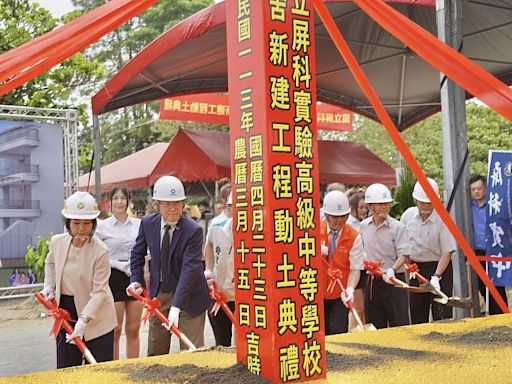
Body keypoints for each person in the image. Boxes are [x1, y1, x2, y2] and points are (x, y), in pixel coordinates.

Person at [128, 175, 210, 355]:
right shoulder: (148, 223)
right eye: (166, 203)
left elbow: (190, 270)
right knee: (156, 353)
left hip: (190, 295)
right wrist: (136, 280)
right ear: (158, 204)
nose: (172, 208)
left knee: (190, 352)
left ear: (183, 204)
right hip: (161, 294)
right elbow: (137, 253)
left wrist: (176, 306)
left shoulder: (193, 230)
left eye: (177, 203)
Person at [40, 191, 117, 368]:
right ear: (68, 223)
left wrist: (83, 321)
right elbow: (50, 263)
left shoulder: (100, 251)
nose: (81, 228)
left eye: (86, 223)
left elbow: (99, 292)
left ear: (94, 224)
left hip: (97, 314)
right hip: (65, 312)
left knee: (99, 369)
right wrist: (48, 286)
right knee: (67, 368)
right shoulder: (57, 242)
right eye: (76, 223)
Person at [96, 186, 143, 360]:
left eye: (123, 198)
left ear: (128, 200)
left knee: (133, 328)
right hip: (113, 276)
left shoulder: (139, 224)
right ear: (110, 202)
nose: (119, 202)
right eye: (115, 198)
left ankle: (134, 366)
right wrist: (119, 265)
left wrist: (136, 264)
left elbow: (147, 249)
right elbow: (98, 254)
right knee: (115, 329)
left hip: (135, 275)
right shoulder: (102, 227)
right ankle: (115, 367)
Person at [401, 178, 457, 324]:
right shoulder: (407, 216)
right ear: (415, 200)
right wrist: (408, 265)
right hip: (416, 270)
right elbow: (403, 245)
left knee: (442, 313)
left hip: (439, 268)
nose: (426, 206)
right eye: (423, 202)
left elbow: (447, 251)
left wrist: (436, 276)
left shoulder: (443, 218)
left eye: (430, 203)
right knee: (417, 313)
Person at [359, 183, 410, 329]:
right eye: (380, 204)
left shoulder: (397, 227)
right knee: (374, 323)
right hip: (373, 281)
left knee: (400, 322)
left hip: (393, 280)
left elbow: (404, 254)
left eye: (386, 203)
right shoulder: (363, 226)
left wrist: (392, 269)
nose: (384, 207)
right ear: (370, 206)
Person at [320, 191, 363, 334]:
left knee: (338, 333)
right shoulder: (313, 231)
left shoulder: (354, 237)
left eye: (343, 216)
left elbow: (355, 268)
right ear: (326, 215)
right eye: (335, 217)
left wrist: (350, 289)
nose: (339, 220)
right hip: (315, 293)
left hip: (340, 295)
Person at [469, 175, 509, 314]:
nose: (476, 192)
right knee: (482, 285)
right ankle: (491, 313)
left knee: (497, 284)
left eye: (479, 188)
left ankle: (502, 314)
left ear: (485, 189)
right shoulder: (468, 208)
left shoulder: (494, 205)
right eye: (473, 189)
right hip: (478, 252)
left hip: (494, 250)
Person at [204, 193, 234, 346]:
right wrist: (209, 270)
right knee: (222, 342)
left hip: (245, 295)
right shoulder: (216, 225)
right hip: (220, 293)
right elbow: (208, 245)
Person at [346, 192, 369, 328]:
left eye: (366, 207)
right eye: (361, 207)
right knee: (357, 307)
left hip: (366, 268)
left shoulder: (363, 223)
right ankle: (353, 332)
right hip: (354, 268)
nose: (364, 210)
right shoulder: (349, 224)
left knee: (364, 307)